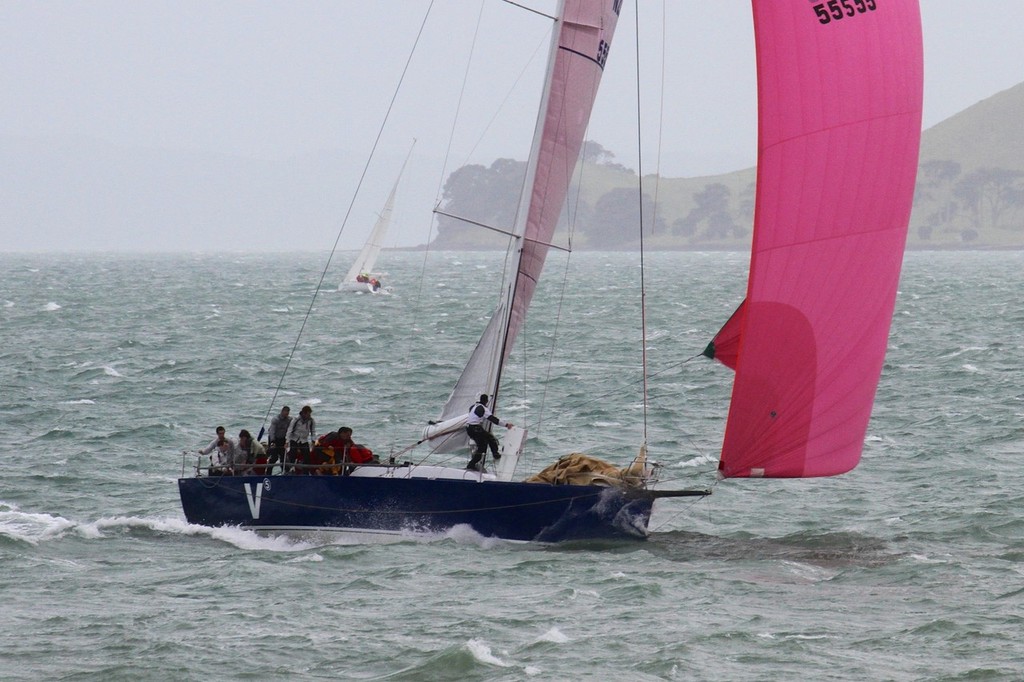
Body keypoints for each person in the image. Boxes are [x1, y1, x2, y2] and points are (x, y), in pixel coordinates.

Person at [465, 394, 512, 471]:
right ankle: (495, 455)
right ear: (486, 401)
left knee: (486, 441)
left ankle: (475, 463)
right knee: (487, 442)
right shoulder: (484, 409)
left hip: (469, 428)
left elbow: (473, 416)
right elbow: (493, 419)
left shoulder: (473, 406)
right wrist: (506, 425)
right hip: (475, 428)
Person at [285, 405, 316, 474]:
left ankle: (306, 471)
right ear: (303, 413)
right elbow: (289, 430)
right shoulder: (296, 419)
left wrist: (313, 441)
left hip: (304, 440)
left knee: (307, 456)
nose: (309, 416)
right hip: (294, 439)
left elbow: (313, 431)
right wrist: (287, 441)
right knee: (292, 454)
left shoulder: (311, 421)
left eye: (310, 414)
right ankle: (291, 470)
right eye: (308, 414)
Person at [265, 405, 291, 474]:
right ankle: (268, 473)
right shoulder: (275, 419)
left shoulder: (289, 420)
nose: (286, 415)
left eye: (287, 414)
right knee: (274, 457)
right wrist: (272, 441)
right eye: (285, 413)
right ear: (282, 411)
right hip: (274, 438)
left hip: (282, 439)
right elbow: (272, 431)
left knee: (283, 457)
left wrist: (288, 441)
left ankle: (285, 472)